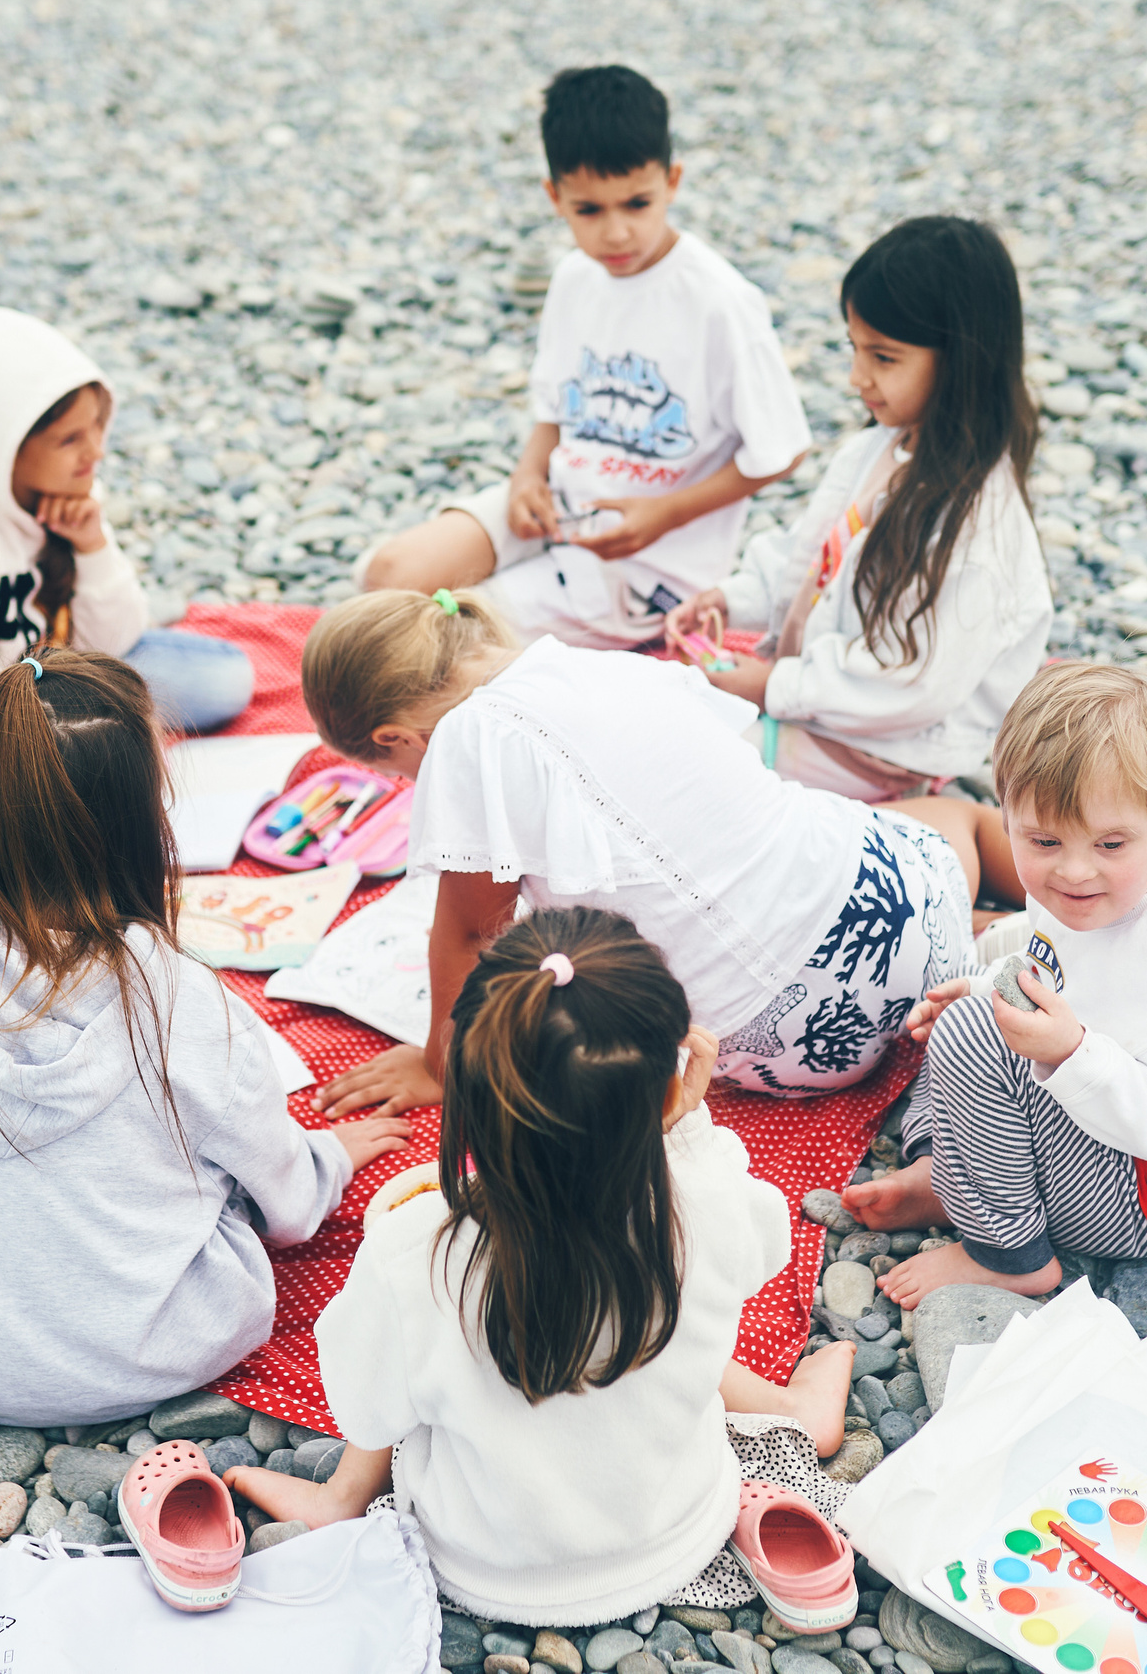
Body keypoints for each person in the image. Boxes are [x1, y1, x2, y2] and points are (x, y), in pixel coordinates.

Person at [0, 650, 410, 1427]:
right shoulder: (181, 996)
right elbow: (292, 1206)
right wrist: (333, 1153)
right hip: (168, 1347)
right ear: (145, 822)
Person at [228, 910, 861, 1632]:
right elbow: (767, 1246)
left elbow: (366, 1406)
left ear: (467, 1091)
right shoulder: (704, 1205)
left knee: (412, 1360)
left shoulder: (416, 1249)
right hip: (678, 1530)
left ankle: (339, 1499)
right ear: (669, 1087)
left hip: (481, 1566)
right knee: (676, 1323)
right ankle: (786, 1412)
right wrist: (685, 1132)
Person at [302, 589, 981, 1114]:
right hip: (913, 918)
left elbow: (469, 930)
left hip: (791, 1042)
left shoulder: (466, 738)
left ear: (396, 738)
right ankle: (1038, 903)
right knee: (954, 816)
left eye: (400, 778)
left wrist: (437, 1067)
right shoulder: (592, 664)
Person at [844, 664, 1147, 1309]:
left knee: (973, 1035)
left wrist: (1068, 1051)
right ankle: (947, 1179)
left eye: (1110, 843)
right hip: (1097, 1140)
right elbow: (1046, 966)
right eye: (1043, 840)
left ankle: (1010, 1256)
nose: (1073, 870)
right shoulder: (1088, 891)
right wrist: (987, 990)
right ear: (1005, 813)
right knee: (966, 1007)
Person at [359, 65, 810, 649]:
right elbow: (554, 412)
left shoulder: (720, 304)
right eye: (589, 211)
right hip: (555, 508)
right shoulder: (575, 278)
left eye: (637, 203)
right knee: (388, 578)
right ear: (555, 198)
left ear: (672, 182)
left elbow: (783, 450)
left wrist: (665, 514)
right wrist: (526, 476)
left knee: (443, 642)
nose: (617, 233)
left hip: (645, 561)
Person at [663, 217, 1050, 805]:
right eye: (855, 348)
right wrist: (729, 600)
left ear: (962, 362)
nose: (856, 377)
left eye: (884, 357)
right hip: (816, 707)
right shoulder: (883, 447)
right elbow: (807, 556)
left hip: (878, 755)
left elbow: (911, 682)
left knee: (673, 759)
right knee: (654, 709)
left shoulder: (976, 530)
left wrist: (773, 685)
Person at [0, 305, 253, 815]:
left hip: (57, 672)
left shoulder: (69, 492)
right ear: (6, 450)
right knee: (45, 803)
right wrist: (72, 727)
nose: (95, 452)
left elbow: (117, 637)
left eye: (97, 426)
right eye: (70, 439)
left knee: (227, 680)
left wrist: (92, 545)